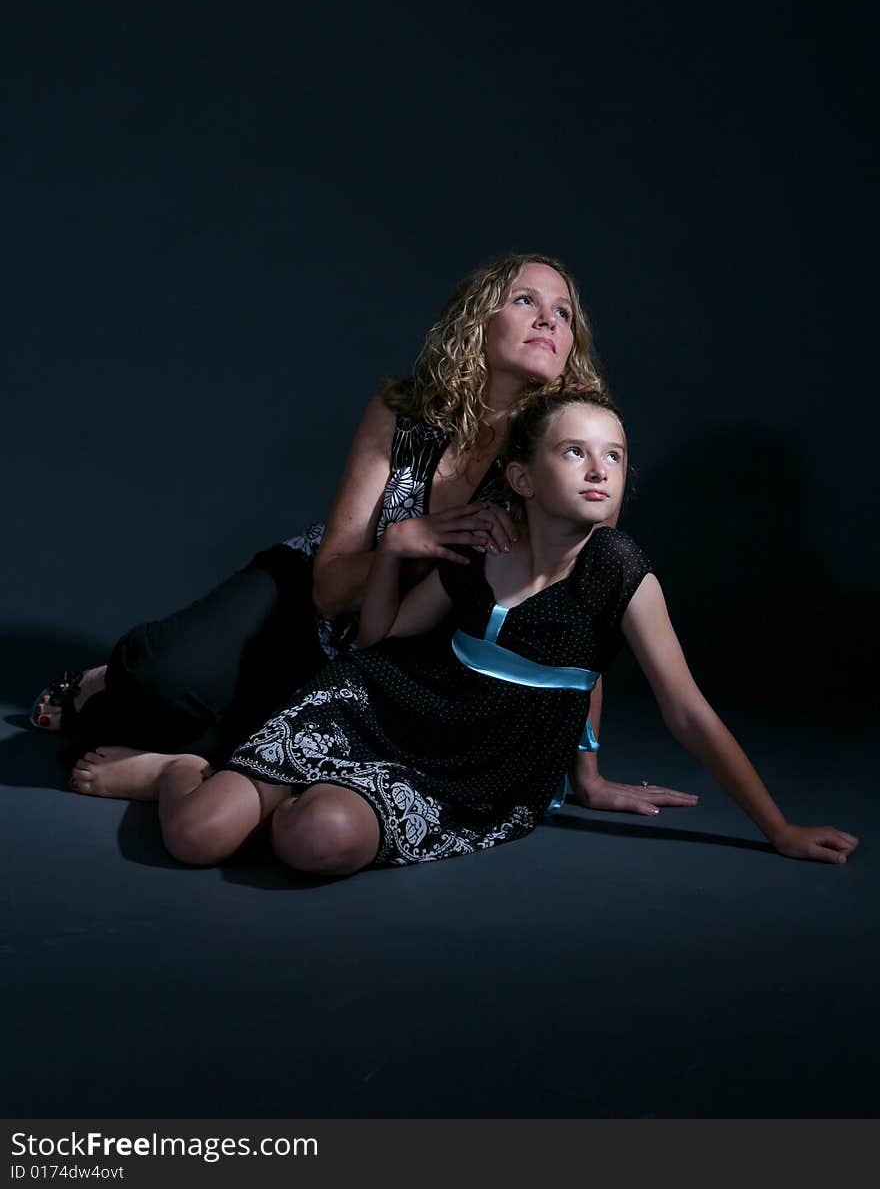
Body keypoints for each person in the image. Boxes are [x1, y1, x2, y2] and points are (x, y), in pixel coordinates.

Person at [73, 385, 858, 872]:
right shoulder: (486, 543)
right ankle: (178, 769)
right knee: (198, 836)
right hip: (376, 708)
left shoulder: (620, 569)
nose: (598, 469)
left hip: (475, 773)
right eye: (575, 451)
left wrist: (778, 827)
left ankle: (268, 790)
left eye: (614, 457)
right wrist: (397, 553)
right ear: (521, 477)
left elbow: (672, 706)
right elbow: (378, 644)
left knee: (313, 843)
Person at [64, 254, 692, 815]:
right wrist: (405, 540)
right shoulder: (402, 411)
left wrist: (590, 774)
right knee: (157, 675)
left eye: (564, 312)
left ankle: (177, 761)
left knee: (277, 754)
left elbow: (582, 627)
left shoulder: (570, 455)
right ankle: (94, 684)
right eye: (526, 301)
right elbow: (330, 584)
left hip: (397, 653)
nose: (549, 320)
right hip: (308, 598)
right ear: (477, 321)